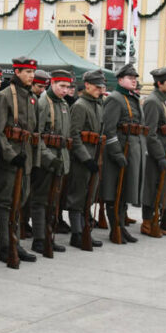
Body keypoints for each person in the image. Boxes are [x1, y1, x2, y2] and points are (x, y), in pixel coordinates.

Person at [0, 57, 40, 264]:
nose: (31, 76)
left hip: (25, 158)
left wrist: (34, 161)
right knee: (5, 203)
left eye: (32, 72)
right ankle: (5, 246)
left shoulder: (31, 98)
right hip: (10, 161)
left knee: (19, 202)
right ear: (17, 72)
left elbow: (34, 133)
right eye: (27, 72)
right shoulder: (4, 96)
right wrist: (11, 155)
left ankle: (15, 242)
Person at [30, 69, 73, 254]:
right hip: (46, 159)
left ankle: (49, 236)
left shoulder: (63, 104)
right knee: (40, 200)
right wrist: (48, 158)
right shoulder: (43, 103)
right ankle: (39, 238)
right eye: (61, 86)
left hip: (60, 158)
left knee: (54, 200)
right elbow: (36, 135)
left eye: (67, 87)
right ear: (52, 83)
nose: (65, 90)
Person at [100, 63, 143, 244]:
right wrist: (117, 153)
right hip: (118, 151)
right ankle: (115, 228)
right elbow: (109, 129)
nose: (134, 81)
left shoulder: (131, 98)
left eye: (135, 79)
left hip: (131, 150)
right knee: (114, 191)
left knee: (124, 191)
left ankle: (121, 226)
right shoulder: (115, 99)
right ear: (120, 80)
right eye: (130, 78)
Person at [67, 69, 106, 248]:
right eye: (97, 86)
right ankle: (77, 233)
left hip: (95, 155)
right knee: (78, 196)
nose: (100, 89)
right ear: (88, 85)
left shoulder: (98, 104)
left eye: (101, 86)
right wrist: (85, 158)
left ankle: (85, 231)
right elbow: (74, 135)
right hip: (82, 159)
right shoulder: (80, 105)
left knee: (89, 196)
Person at [141, 67, 166, 236]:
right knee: (151, 187)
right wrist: (160, 156)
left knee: (161, 188)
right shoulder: (153, 101)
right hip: (156, 153)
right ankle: (147, 222)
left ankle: (156, 220)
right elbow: (150, 132)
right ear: (159, 83)